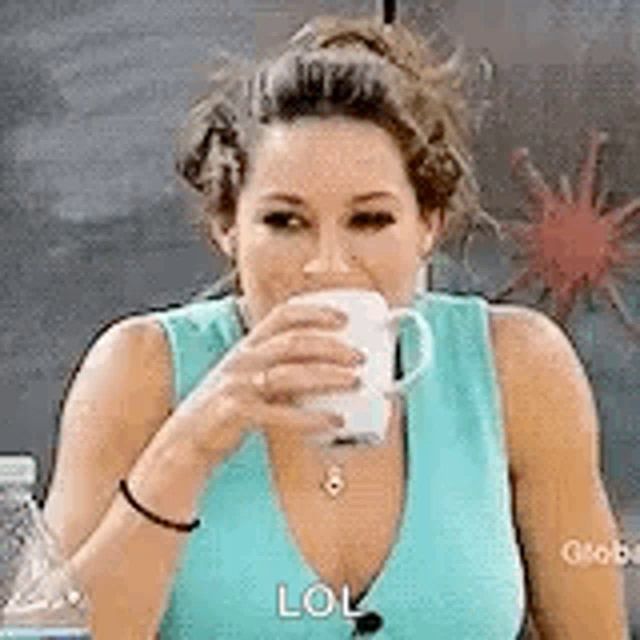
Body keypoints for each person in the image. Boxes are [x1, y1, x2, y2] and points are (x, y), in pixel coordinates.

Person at [42, 14, 629, 639]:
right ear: (227, 226)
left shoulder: (520, 368)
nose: (327, 264)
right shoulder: (138, 371)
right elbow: (47, 631)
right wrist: (188, 447)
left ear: (428, 224)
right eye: (285, 221)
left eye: (370, 220)